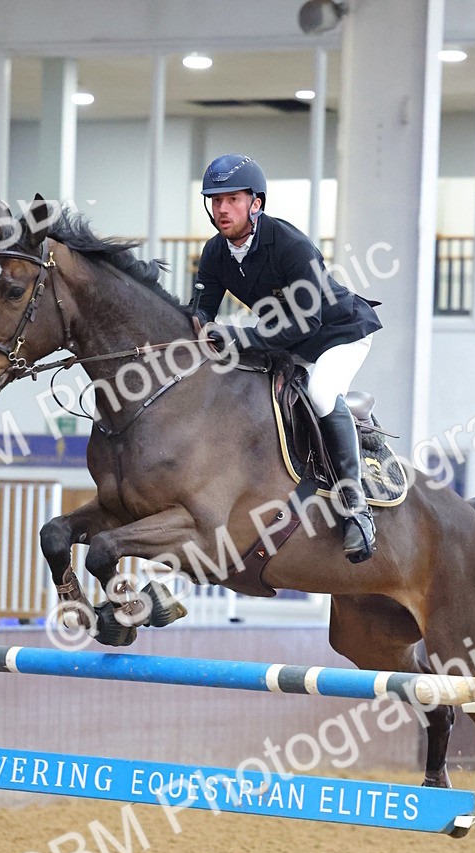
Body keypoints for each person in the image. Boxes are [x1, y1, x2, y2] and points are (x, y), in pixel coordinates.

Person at [194, 153, 382, 563]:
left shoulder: (291, 245)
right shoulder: (215, 253)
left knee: (319, 391)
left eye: (232, 199)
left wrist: (237, 335)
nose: (221, 209)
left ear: (255, 203)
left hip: (338, 333)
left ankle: (357, 508)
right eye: (215, 200)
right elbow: (202, 311)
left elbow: (307, 322)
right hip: (288, 343)